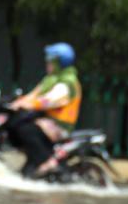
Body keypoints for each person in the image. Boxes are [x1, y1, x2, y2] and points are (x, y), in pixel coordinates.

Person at [8, 42, 82, 177]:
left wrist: (29, 104)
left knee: (26, 129)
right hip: (47, 122)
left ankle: (47, 161)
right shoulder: (50, 80)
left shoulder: (67, 82)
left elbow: (50, 100)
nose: (47, 64)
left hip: (59, 126)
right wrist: (18, 102)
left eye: (50, 61)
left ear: (59, 63)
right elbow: (34, 95)